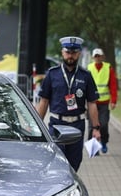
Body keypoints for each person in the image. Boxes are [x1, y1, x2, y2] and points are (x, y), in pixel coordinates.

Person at [36, 36, 102, 171]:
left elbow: (92, 103)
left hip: (77, 126)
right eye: (67, 52)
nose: (70, 56)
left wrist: (96, 128)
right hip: (56, 125)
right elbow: (44, 101)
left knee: (74, 164)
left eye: (74, 52)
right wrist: (36, 126)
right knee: (57, 163)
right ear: (62, 52)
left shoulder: (86, 76)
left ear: (79, 54)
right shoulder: (52, 74)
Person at [88, 48, 118, 154]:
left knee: (104, 125)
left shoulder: (108, 68)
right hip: (92, 103)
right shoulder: (89, 68)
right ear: (93, 57)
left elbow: (113, 85)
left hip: (104, 103)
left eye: (99, 56)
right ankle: (94, 150)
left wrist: (113, 100)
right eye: (95, 56)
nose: (97, 58)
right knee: (92, 126)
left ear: (102, 57)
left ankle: (104, 142)